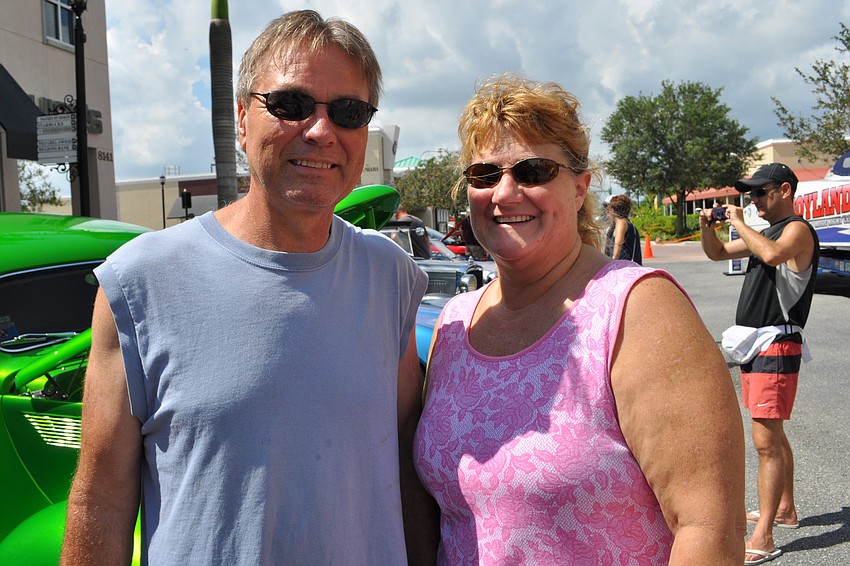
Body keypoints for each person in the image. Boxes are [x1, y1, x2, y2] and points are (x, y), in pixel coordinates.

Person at [61, 10, 438, 565]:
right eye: (291, 105)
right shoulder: (140, 281)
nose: (320, 130)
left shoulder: (393, 278)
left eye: (348, 112)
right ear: (241, 118)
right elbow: (100, 502)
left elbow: (407, 466)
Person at [413, 74, 745, 565]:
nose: (505, 192)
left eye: (533, 171)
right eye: (485, 175)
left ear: (579, 188)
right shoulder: (456, 324)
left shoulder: (637, 308)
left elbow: (709, 531)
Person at [700, 162, 818, 565]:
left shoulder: (796, 229)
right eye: (748, 194)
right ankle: (784, 509)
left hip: (777, 343)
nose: (752, 200)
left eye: (759, 192)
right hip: (756, 346)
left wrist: (738, 220)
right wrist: (708, 226)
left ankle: (764, 536)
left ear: (784, 190)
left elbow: (770, 255)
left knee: (765, 442)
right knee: (773, 435)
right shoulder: (765, 231)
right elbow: (717, 252)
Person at [604, 193, 642, 264]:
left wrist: (612, 264)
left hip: (624, 268)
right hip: (629, 267)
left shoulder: (621, 223)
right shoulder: (626, 223)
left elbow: (618, 245)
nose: (607, 211)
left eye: (608, 208)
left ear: (614, 210)